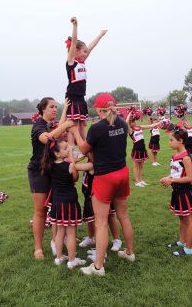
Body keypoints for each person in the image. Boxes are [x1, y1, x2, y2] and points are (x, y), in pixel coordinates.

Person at [69, 93, 134, 276]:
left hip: (105, 177)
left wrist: (74, 132)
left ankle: (98, 267)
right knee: (123, 216)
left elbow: (83, 149)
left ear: (98, 109)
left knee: (101, 223)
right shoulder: (123, 122)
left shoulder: (97, 128)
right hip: (122, 173)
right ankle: (129, 252)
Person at [27, 97, 73, 260]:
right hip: (38, 172)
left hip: (53, 172)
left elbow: (58, 127)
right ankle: (38, 248)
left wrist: (66, 111)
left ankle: (58, 239)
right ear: (43, 109)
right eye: (52, 107)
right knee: (41, 210)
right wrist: (66, 125)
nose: (55, 109)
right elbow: (47, 139)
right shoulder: (38, 126)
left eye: (56, 107)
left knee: (56, 207)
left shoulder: (50, 124)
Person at [40, 138, 86, 269]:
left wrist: (70, 155)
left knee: (60, 232)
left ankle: (59, 257)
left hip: (56, 203)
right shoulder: (69, 165)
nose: (69, 149)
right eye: (65, 148)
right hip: (69, 203)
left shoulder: (49, 165)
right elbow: (75, 178)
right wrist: (72, 156)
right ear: (57, 153)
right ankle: (72, 260)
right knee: (71, 233)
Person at [65, 17, 107, 143]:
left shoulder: (82, 62)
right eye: (83, 51)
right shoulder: (71, 62)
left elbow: (91, 46)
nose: (85, 53)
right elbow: (73, 43)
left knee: (83, 125)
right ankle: (71, 149)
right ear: (75, 51)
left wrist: (100, 35)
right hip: (72, 97)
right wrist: (75, 26)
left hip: (81, 98)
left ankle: (87, 146)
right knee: (73, 125)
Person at [160, 128, 192, 256]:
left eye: (171, 140)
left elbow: (189, 178)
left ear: (181, 141)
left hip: (185, 192)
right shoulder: (175, 156)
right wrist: (168, 178)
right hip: (177, 191)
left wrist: (172, 180)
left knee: (188, 219)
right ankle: (182, 241)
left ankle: (189, 248)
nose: (169, 143)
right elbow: (175, 173)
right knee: (182, 218)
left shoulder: (186, 157)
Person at [79, 155, 122, 253]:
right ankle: (91, 237)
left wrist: (72, 159)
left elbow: (76, 166)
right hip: (88, 193)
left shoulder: (96, 163)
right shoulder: (90, 160)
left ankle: (116, 239)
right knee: (90, 217)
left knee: (109, 216)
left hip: (100, 193)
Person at [126, 112, 161, 187]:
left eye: (134, 121)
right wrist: (130, 113)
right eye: (132, 122)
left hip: (142, 148)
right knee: (136, 166)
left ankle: (141, 180)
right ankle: (137, 182)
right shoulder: (130, 130)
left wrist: (160, 122)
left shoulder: (140, 127)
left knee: (141, 166)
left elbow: (150, 125)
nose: (134, 122)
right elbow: (126, 122)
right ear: (130, 124)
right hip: (136, 149)